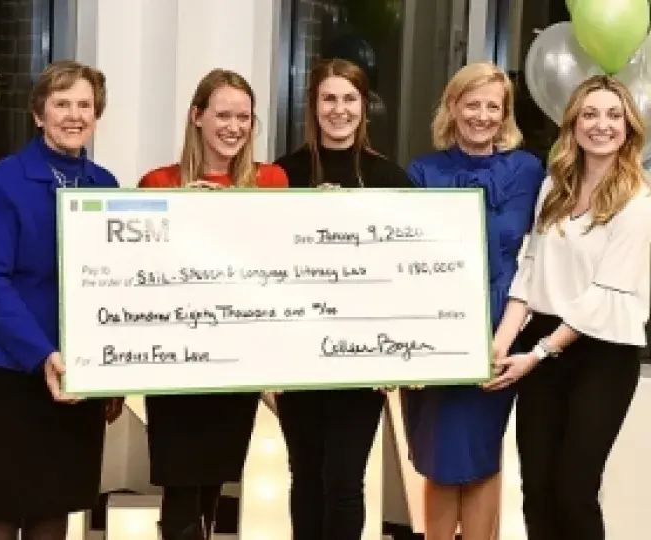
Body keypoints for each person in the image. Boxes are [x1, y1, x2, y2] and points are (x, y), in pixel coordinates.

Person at [0, 61, 123, 540]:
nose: (74, 115)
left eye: (84, 105)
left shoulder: (105, 185)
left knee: (55, 508)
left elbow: (116, 283)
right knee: (1, 514)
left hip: (78, 377)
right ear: (38, 113)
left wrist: (115, 371)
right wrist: (41, 354)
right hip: (7, 372)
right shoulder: (5, 179)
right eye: (61, 103)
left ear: (97, 114)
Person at [484, 75, 651, 540]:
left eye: (613, 115)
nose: (602, 125)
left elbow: (601, 297)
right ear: (573, 125)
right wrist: (498, 344)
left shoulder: (638, 201)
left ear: (629, 127)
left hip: (602, 352)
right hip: (545, 342)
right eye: (591, 114)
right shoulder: (554, 187)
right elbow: (529, 271)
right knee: (536, 488)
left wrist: (535, 355)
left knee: (573, 492)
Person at [138, 68, 287, 540]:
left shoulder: (272, 182)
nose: (234, 126)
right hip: (176, 363)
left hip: (236, 363)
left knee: (215, 481)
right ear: (196, 116)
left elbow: (280, 268)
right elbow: (139, 274)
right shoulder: (158, 183)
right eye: (223, 114)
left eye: (244, 117)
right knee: (180, 484)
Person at [272, 58, 413, 540]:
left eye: (349, 99)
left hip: (363, 362)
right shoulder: (279, 176)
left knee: (345, 482)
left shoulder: (392, 180)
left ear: (364, 106)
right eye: (329, 98)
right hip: (296, 357)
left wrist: (393, 353)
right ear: (312, 104)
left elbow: (405, 276)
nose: (339, 109)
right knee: (305, 477)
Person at [403, 62, 545, 539]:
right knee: (439, 461)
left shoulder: (527, 170)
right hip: (435, 329)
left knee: (482, 456)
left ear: (505, 114)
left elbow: (535, 255)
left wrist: (502, 338)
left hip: (497, 329)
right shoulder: (423, 171)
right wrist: (416, 345)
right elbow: (408, 262)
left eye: (493, 106)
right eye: (472, 104)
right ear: (452, 106)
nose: (482, 115)